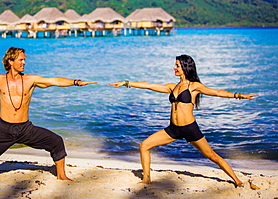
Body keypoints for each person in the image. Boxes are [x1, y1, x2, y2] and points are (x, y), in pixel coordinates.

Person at [0, 47, 97, 180]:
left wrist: (76, 82)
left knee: (56, 141)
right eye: (21, 60)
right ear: (10, 61)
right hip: (3, 128)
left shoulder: (31, 79)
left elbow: (53, 80)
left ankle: (61, 175)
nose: (24, 62)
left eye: (24, 59)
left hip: (25, 128)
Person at [109, 54, 258, 187]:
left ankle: (237, 181)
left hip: (189, 128)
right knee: (144, 145)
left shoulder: (194, 87)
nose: (174, 68)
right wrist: (127, 83)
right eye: (175, 65)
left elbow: (217, 93)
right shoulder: (172, 87)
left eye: (177, 65)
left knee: (212, 156)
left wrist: (239, 95)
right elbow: (150, 86)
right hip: (173, 129)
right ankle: (146, 179)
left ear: (185, 67)